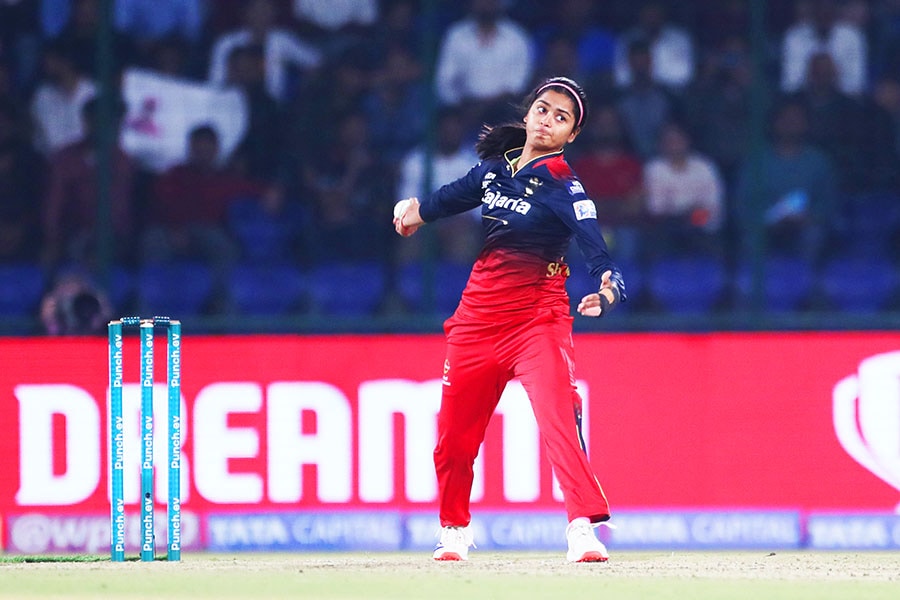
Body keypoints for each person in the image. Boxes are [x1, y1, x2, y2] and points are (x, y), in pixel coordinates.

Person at [392, 77, 625, 563]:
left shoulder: (566, 186)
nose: (548, 120)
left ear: (571, 137)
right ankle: (454, 530)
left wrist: (605, 291)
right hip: (475, 323)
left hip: (537, 323)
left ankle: (582, 530)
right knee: (454, 439)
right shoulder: (493, 172)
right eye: (544, 109)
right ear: (528, 114)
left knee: (560, 417)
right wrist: (412, 212)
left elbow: (598, 254)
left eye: (562, 118)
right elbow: (443, 200)